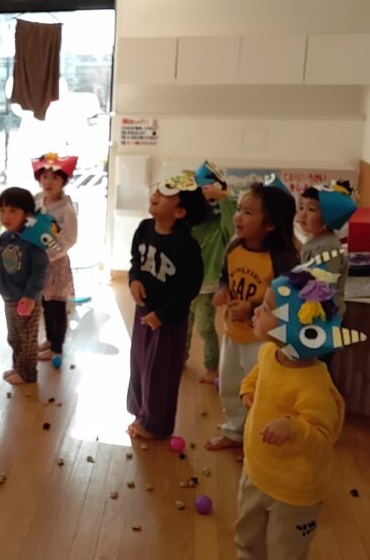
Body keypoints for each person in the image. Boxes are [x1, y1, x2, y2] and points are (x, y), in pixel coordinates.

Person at [235, 260, 366, 560]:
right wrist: (248, 390)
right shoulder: (270, 352)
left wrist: (293, 427)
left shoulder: (314, 385)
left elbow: (323, 438)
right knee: (248, 540)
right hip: (256, 471)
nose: (256, 311)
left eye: (266, 308)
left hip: (294, 492)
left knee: (286, 551)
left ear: (293, 326)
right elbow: (256, 376)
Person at [206, 181, 299, 451]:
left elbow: (286, 297)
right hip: (233, 332)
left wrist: (253, 306)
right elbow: (225, 277)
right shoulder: (234, 247)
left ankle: (259, 439)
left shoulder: (282, 258)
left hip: (263, 339)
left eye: (248, 212)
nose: (238, 216)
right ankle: (235, 431)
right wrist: (223, 290)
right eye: (239, 209)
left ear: (269, 224)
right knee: (230, 385)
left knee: (260, 390)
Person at [126, 172, 207, 439]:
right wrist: (134, 280)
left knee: (160, 373)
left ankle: (155, 425)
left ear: (180, 211)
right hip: (143, 311)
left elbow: (189, 289)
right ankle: (140, 412)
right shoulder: (144, 229)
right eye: (158, 190)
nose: (156, 195)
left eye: (165, 195)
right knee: (139, 364)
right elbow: (135, 262)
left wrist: (162, 315)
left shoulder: (186, 245)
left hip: (169, 320)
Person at [0, 187, 51, 385]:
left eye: (13, 211)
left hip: (26, 299)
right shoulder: (4, 238)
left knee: (27, 338)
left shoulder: (33, 241)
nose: (5, 216)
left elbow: (39, 271)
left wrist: (30, 296)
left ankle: (28, 374)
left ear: (27, 214)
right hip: (9, 297)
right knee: (14, 337)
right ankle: (19, 367)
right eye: (2, 210)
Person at [188, 160, 236, 385]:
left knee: (206, 328)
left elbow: (232, 227)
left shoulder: (219, 224)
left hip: (206, 287)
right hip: (185, 285)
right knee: (183, 326)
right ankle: (179, 359)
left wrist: (223, 197)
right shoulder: (188, 222)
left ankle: (211, 367)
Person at [32, 153, 79, 361]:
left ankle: (57, 346)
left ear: (64, 181)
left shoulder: (66, 208)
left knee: (57, 305)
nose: (48, 182)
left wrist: (49, 253)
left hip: (56, 263)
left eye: (54, 178)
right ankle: (50, 340)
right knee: (45, 303)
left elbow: (70, 239)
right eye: (45, 177)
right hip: (38, 262)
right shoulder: (37, 200)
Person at [296, 180, 357, 317]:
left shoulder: (327, 247)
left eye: (311, 209)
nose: (303, 214)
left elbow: (323, 288)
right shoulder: (313, 239)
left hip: (325, 314)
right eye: (301, 207)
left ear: (327, 216)